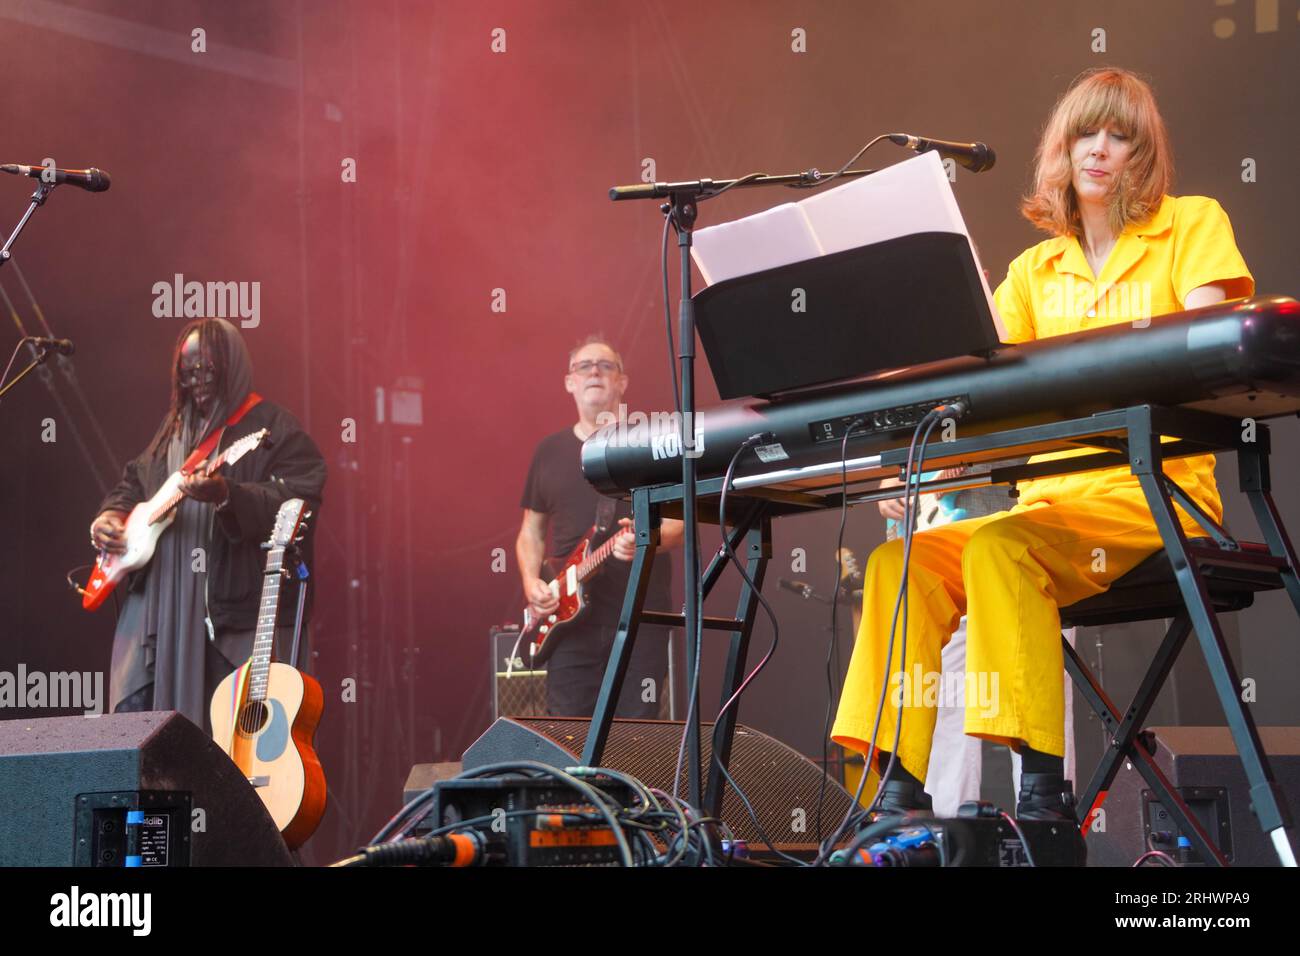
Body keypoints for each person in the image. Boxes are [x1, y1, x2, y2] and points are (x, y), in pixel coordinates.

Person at [832, 67, 1253, 821]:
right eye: (1084, 133)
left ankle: (1042, 792)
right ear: (1058, 150)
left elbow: (1211, 355)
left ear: (1142, 155)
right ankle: (897, 794)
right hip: (1048, 512)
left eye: (1119, 136)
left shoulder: (1192, 224)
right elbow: (988, 405)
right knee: (899, 562)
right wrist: (916, 454)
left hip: (1152, 498)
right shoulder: (1031, 272)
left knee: (1000, 549)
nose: (1099, 149)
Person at [89, 318, 327, 733]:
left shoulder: (272, 426)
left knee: (232, 739)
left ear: (230, 366)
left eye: (207, 369)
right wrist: (108, 517)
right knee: (144, 738)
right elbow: (133, 485)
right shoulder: (172, 432)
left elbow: (299, 503)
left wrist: (228, 495)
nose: (196, 380)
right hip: (161, 615)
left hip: (231, 615)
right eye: (188, 371)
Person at [517, 335, 683, 717]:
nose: (594, 371)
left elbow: (681, 521)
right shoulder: (549, 452)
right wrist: (531, 583)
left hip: (639, 619)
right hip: (567, 626)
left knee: (637, 739)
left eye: (605, 366)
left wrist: (648, 539)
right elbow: (530, 532)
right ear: (569, 382)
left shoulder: (651, 441)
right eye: (584, 366)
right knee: (569, 737)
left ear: (622, 383)